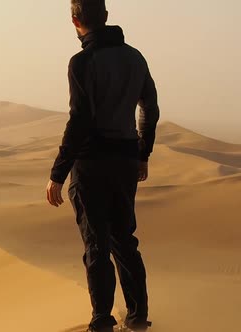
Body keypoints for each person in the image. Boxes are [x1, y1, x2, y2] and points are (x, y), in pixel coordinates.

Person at [45, 1, 160, 331]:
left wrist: (58, 173)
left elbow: (80, 119)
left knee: (97, 244)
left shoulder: (82, 62)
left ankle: (102, 320)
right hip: (125, 160)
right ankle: (138, 316)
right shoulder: (135, 58)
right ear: (106, 17)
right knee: (124, 240)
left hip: (92, 162)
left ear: (74, 21)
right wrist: (142, 154)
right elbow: (149, 109)